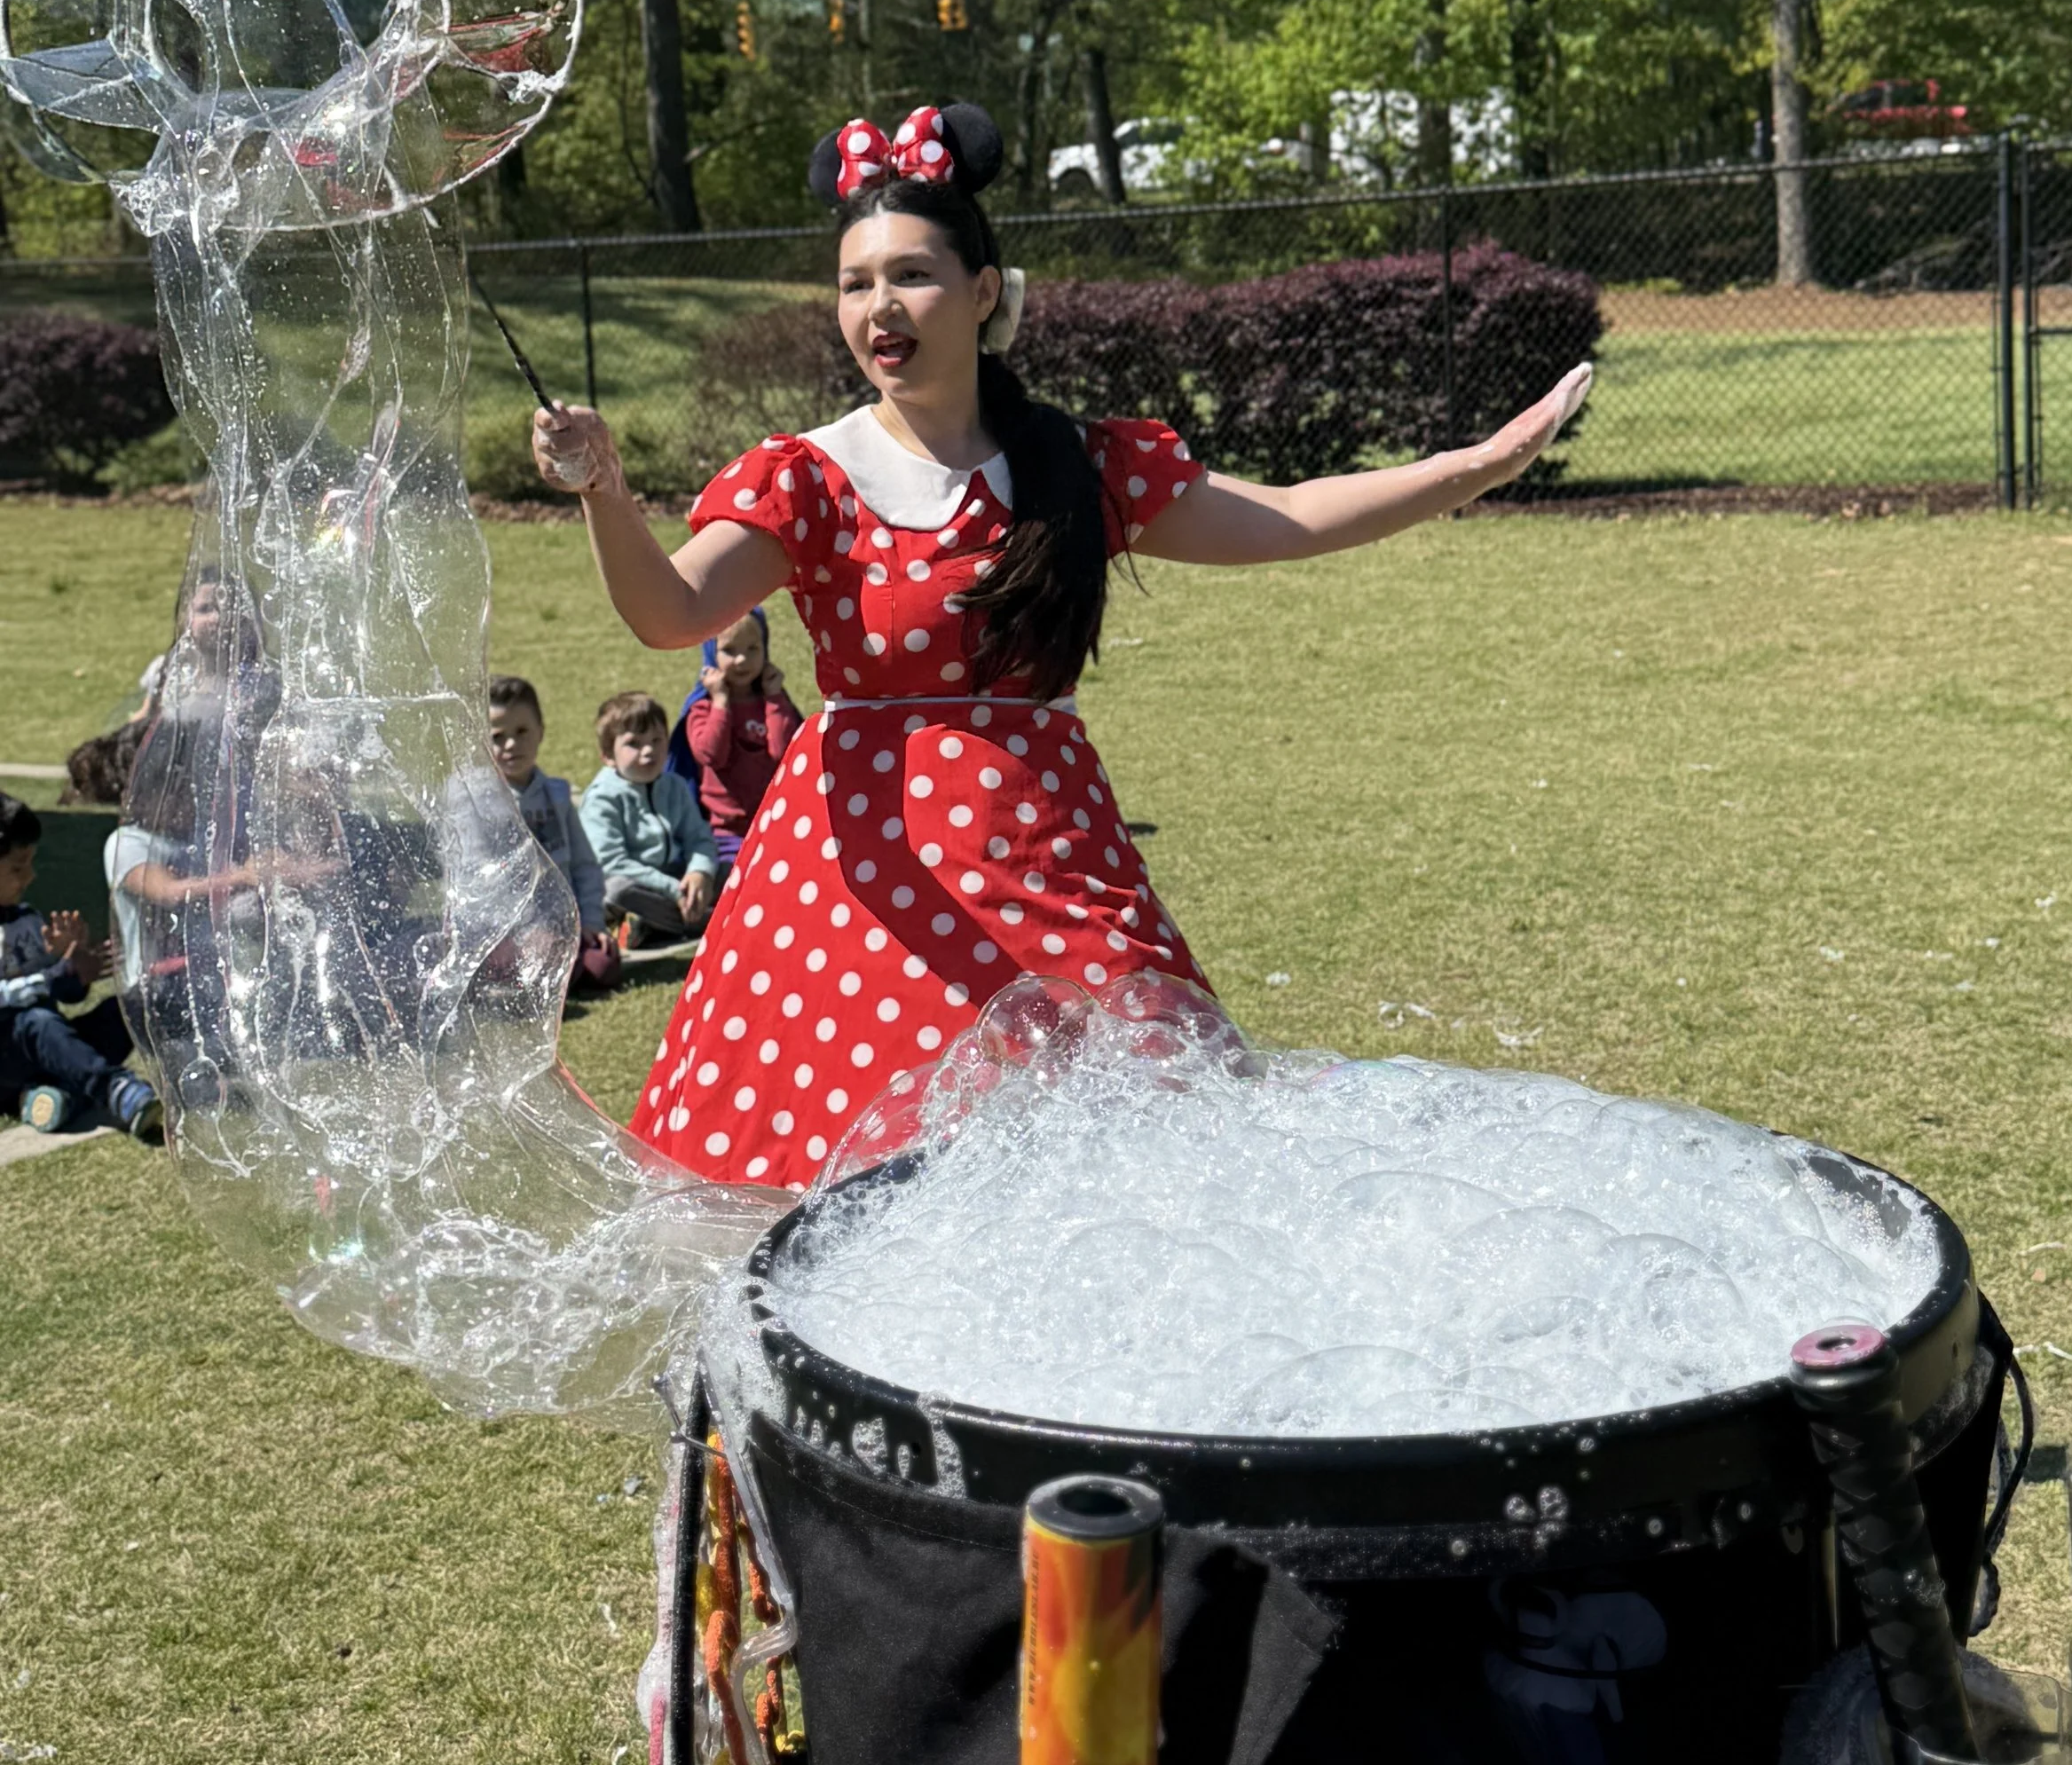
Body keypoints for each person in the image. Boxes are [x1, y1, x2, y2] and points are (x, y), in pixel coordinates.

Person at [530, 101, 1588, 1189]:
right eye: (855, 283)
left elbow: (1292, 515)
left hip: (1045, 859)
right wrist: (604, 489)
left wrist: (1475, 466)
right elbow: (669, 614)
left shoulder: (1070, 466)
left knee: (1144, 1148)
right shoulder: (809, 476)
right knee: (828, 1187)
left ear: (983, 292)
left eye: (911, 275)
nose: (879, 308)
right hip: (858, 887)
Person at [0, 792, 163, 1141]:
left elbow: (64, 997)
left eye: (31, 862)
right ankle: (114, 1090)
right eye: (18, 867)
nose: (29, 876)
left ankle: (55, 1096)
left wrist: (72, 965)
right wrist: (56, 972)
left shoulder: (26, 919)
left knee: (124, 1010)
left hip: (44, 1047)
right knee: (37, 1023)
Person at [485, 674, 619, 993]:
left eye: (521, 731)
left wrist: (591, 923)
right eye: (497, 736)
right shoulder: (480, 805)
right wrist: (523, 934)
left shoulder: (558, 797)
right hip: (508, 936)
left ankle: (553, 975)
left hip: (564, 930)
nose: (511, 744)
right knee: (531, 968)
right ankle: (522, 981)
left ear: (541, 732)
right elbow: (483, 888)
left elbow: (585, 866)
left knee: (605, 966)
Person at [579, 693, 720, 947]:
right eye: (634, 743)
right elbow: (611, 863)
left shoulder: (674, 786)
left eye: (657, 740)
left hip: (674, 875)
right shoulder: (602, 798)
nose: (649, 751)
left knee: (732, 871)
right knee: (617, 892)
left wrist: (700, 873)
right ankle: (710, 921)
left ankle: (653, 925)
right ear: (608, 756)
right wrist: (674, 890)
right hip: (634, 883)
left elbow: (699, 837)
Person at [675, 611, 803, 865]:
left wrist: (775, 698)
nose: (742, 659)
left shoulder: (774, 702)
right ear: (712, 653)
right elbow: (712, 754)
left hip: (774, 823)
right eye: (730, 650)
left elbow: (784, 755)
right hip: (724, 832)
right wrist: (721, 703)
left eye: (753, 648)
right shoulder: (703, 708)